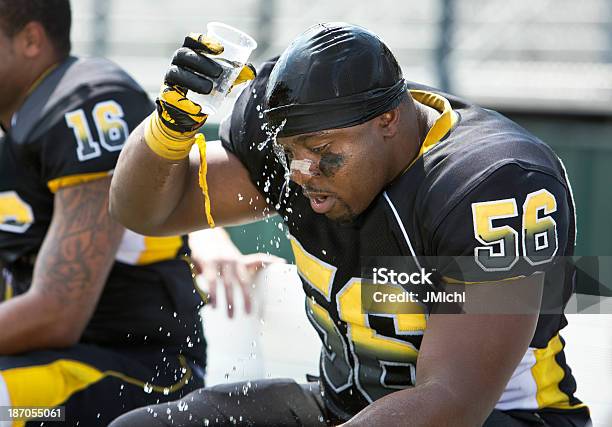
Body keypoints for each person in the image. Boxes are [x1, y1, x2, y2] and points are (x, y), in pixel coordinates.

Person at [109, 23, 591, 426]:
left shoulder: (491, 183)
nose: (300, 172)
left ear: (388, 121)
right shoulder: (299, 142)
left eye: (321, 153)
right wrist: (167, 129)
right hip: (344, 407)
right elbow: (145, 213)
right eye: (289, 152)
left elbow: (453, 401)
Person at [0, 1, 274, 424]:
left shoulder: (83, 105)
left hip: (137, 376)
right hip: (48, 360)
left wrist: (209, 236)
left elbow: (57, 313)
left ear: (31, 39)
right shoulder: (18, 124)